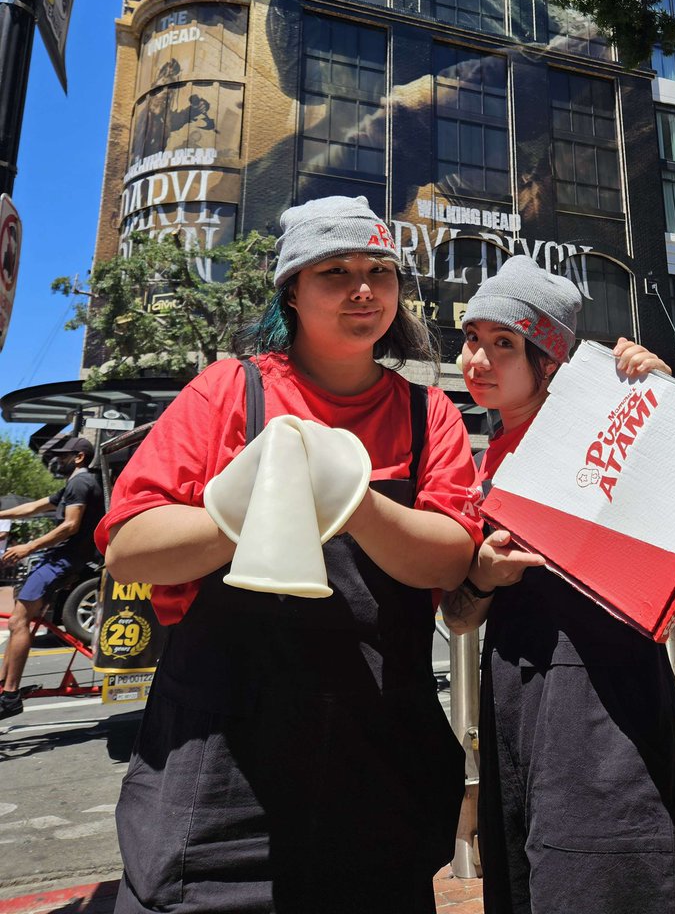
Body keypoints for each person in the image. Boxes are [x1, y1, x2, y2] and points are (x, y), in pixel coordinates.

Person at [97, 195, 481, 914]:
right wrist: (254, 502)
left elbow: (450, 559)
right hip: (219, 774)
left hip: (378, 773)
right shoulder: (226, 393)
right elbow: (129, 549)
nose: (363, 288)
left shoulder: (428, 417)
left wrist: (355, 502)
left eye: (379, 270)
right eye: (334, 271)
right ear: (292, 292)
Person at [441, 256, 675, 913]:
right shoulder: (476, 465)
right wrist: (482, 575)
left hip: (604, 697)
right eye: (474, 338)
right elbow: (459, 618)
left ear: (551, 361)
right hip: (515, 701)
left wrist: (660, 404)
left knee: (605, 874)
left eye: (505, 344)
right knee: (533, 870)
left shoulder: (604, 435)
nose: (478, 359)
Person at [0, 437, 104, 719]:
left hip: (61, 561)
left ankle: (10, 694)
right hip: (58, 560)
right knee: (17, 622)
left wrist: (27, 547)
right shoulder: (73, 485)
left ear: (79, 457)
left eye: (63, 455)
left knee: (18, 621)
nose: (58, 460)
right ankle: (4, 687)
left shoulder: (80, 484)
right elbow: (32, 507)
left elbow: (70, 526)